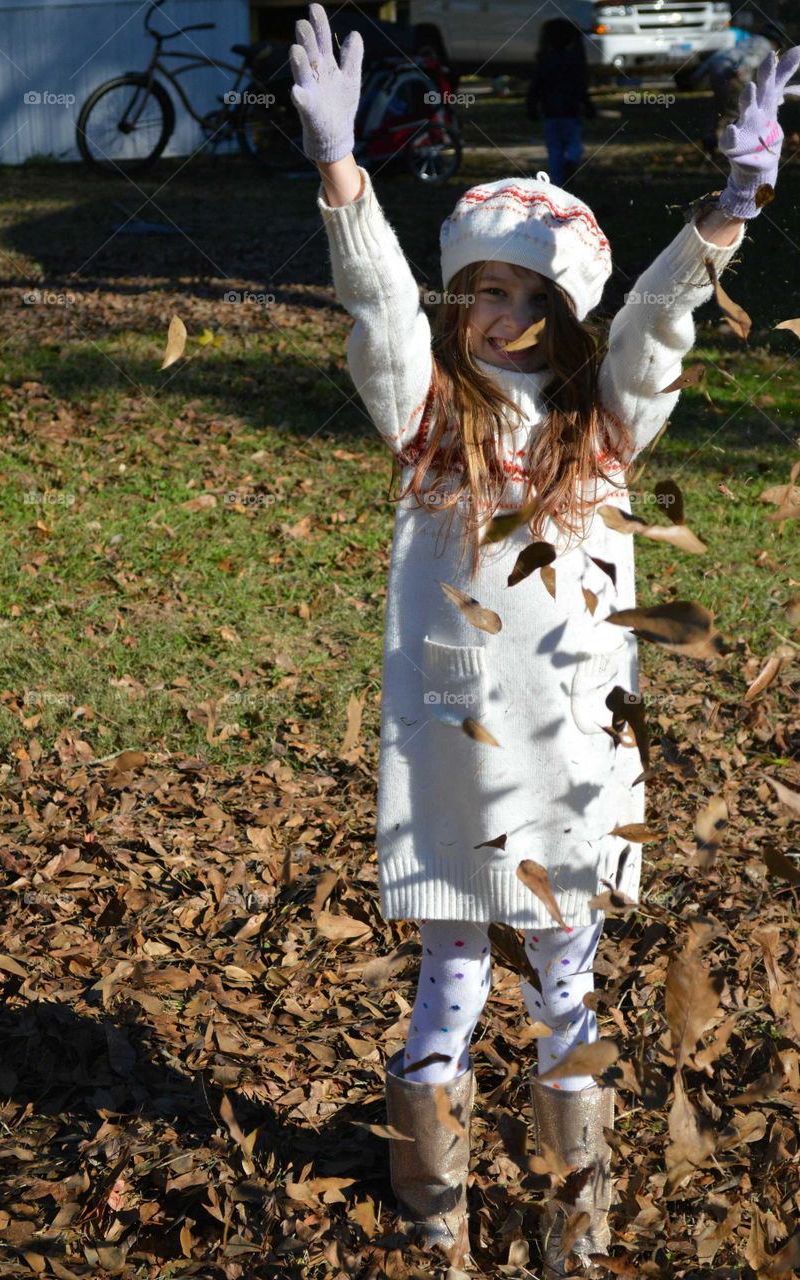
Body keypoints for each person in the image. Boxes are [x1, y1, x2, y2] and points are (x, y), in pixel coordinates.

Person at [288, 7, 800, 1273]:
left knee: (565, 981)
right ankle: (433, 1187)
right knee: (453, 962)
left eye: (524, 291)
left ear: (563, 307)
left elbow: (658, 326)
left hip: (572, 754)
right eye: (480, 288)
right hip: (459, 744)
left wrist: (728, 209)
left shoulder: (604, 428)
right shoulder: (424, 421)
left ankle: (581, 1198)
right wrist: (342, 176)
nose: (496, 312)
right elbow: (376, 310)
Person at [677, 20, 783, 153]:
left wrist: (697, 77)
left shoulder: (750, 40)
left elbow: (720, 56)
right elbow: (751, 59)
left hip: (718, 68)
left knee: (720, 105)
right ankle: (732, 145)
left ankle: (710, 139)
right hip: (732, 73)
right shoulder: (766, 46)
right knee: (736, 110)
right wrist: (745, 83)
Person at [526, 18, 596, 188]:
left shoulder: (544, 61)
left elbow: (535, 88)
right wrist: (588, 106)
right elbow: (581, 88)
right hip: (571, 112)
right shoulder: (574, 61)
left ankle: (557, 182)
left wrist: (531, 106)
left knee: (554, 149)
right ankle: (571, 160)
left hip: (550, 113)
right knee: (574, 144)